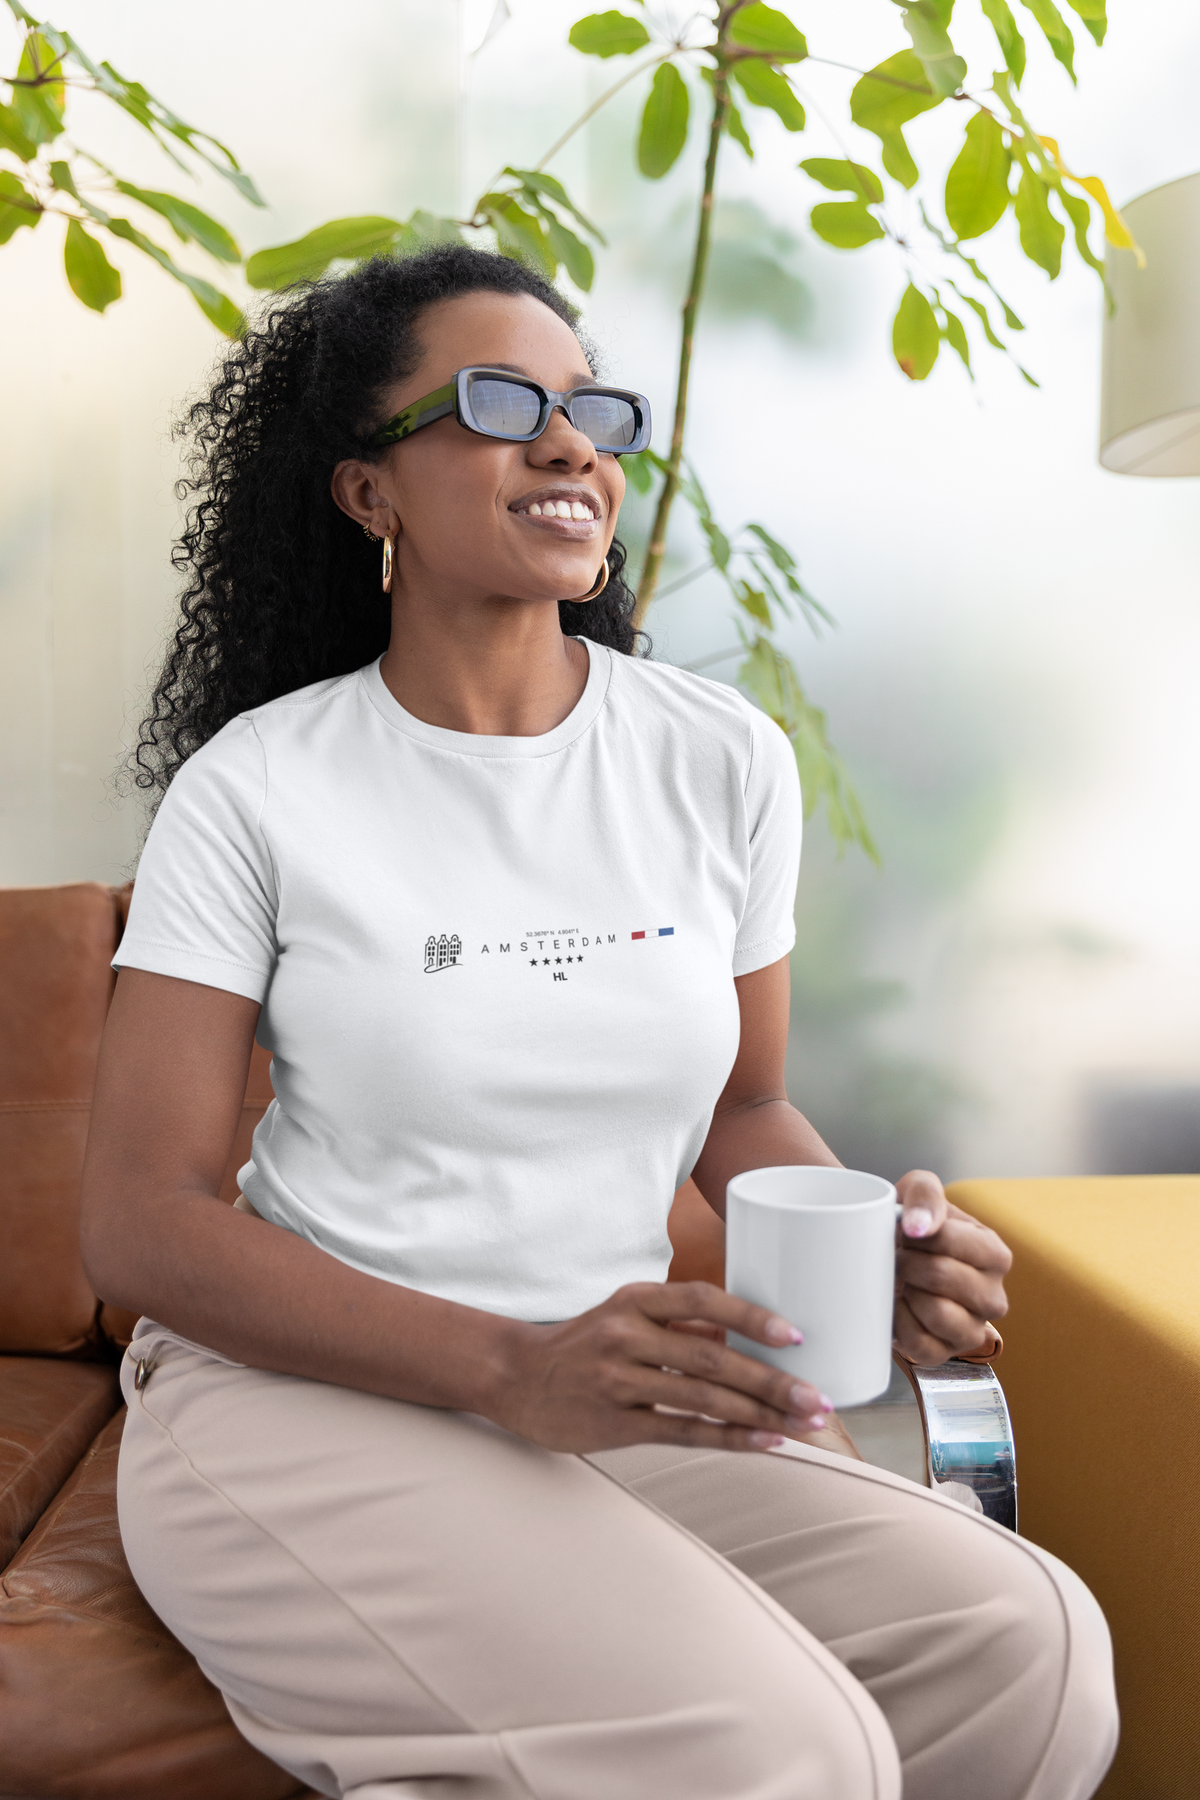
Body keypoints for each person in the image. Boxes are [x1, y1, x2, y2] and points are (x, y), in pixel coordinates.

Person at [81, 245, 1117, 1800]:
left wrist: (861, 1254)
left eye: (593, 410)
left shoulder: (716, 757)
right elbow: (143, 1225)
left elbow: (745, 1110)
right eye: (502, 403)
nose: (572, 445)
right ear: (369, 494)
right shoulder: (263, 786)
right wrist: (507, 1367)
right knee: (786, 1748)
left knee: (1026, 1646)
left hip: (612, 1384)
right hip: (300, 1393)